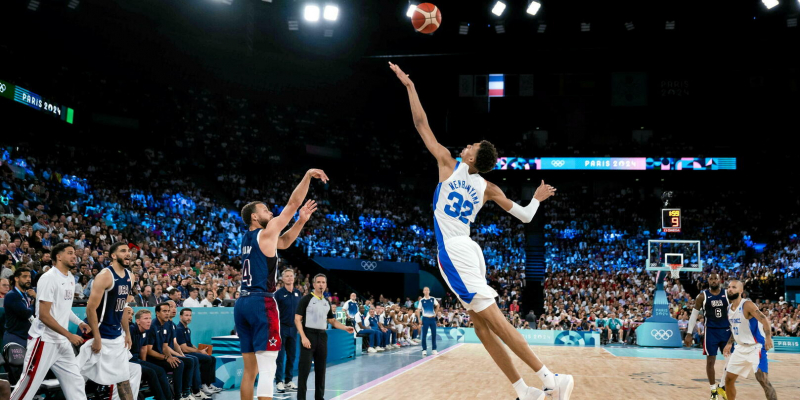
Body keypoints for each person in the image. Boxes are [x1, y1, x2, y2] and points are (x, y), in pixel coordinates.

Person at [390, 62, 571, 400]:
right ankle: (524, 391)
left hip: (455, 250)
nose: (467, 145)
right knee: (480, 324)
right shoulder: (488, 187)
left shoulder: (447, 162)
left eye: (472, 146)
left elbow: (420, 123)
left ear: (472, 159)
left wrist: (410, 87)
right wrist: (536, 198)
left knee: (496, 322)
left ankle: (551, 379)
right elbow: (527, 216)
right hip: (471, 249)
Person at [236, 169, 325, 400]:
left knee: (250, 370)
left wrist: (300, 222)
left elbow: (283, 242)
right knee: (268, 367)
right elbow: (293, 202)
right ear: (255, 217)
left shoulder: (248, 238)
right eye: (265, 210)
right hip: (260, 302)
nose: (271, 212)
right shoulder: (265, 233)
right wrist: (307, 176)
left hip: (242, 303)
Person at [10, 243, 91, 400]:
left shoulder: (70, 279)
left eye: (74, 253)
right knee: (28, 387)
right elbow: (44, 316)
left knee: (76, 382)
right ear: (58, 257)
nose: (74, 256)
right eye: (69, 253)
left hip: (61, 342)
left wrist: (80, 322)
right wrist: (69, 335)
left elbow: (63, 308)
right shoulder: (48, 278)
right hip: (44, 341)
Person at [77, 242, 137, 400]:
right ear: (113, 255)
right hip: (99, 335)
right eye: (123, 251)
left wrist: (127, 333)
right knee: (76, 377)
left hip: (116, 336)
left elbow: (122, 307)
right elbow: (90, 308)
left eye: (129, 251)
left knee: (123, 379)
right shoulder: (105, 276)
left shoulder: (130, 277)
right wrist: (96, 337)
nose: (128, 254)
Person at [294, 274, 354, 400]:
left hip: (322, 336)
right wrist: (303, 337)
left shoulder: (327, 301)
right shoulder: (306, 299)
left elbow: (332, 321)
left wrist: (345, 327)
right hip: (308, 335)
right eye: (318, 282)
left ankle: (319, 398)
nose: (321, 284)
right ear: (314, 284)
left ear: (326, 285)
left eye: (323, 282)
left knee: (321, 371)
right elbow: (297, 319)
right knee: (304, 371)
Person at [722, 280, 776, 400]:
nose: (730, 289)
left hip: (755, 347)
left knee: (762, 379)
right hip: (740, 348)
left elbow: (764, 319)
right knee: (729, 379)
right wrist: (729, 343)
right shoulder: (729, 308)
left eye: (734, 287)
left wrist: (768, 337)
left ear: (741, 291)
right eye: (729, 287)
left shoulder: (747, 305)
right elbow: (735, 328)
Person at [685, 273, 731, 400]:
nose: (713, 280)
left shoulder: (727, 294)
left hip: (726, 331)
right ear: (708, 281)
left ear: (720, 280)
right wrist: (689, 333)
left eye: (716, 278)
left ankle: (722, 385)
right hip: (711, 331)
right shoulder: (702, 296)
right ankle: (713, 390)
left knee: (730, 362)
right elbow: (694, 315)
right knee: (711, 361)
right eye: (711, 279)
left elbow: (736, 311)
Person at [165, 301, 208, 399]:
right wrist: (179, 354)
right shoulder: (164, 325)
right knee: (186, 361)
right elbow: (165, 346)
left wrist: (180, 354)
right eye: (170, 307)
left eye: (175, 307)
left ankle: (192, 391)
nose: (173, 309)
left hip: (174, 353)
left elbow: (175, 343)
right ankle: (182, 394)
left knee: (192, 359)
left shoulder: (172, 325)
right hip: (165, 355)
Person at [176, 309, 222, 395]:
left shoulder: (188, 329)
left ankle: (209, 384)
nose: (189, 317)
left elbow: (190, 344)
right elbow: (184, 348)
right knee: (207, 359)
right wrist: (199, 351)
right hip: (184, 353)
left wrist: (200, 350)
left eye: (190, 315)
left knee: (212, 358)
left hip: (189, 351)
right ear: (181, 316)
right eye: (186, 315)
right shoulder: (179, 329)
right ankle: (203, 385)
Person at [130, 309, 172, 400]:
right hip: (129, 361)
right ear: (138, 321)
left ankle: (169, 398)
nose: (149, 321)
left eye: (149, 318)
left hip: (137, 360)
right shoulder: (131, 329)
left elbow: (143, 348)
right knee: (151, 372)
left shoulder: (144, 331)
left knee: (160, 370)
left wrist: (144, 363)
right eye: (145, 318)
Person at [275, 269, 303, 393]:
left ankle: (288, 380)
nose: (290, 278)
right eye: (287, 276)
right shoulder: (278, 294)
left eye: (291, 276)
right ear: (283, 279)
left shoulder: (298, 293)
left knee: (291, 356)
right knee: (280, 357)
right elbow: (274, 312)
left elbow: (301, 312)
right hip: (281, 328)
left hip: (294, 329)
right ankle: (279, 381)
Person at [3, 268, 35, 348]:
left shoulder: (26, 294)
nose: (28, 279)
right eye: (24, 276)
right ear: (16, 278)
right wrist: (33, 304)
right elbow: (25, 313)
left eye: (29, 277)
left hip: (26, 336)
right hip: (15, 337)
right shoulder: (12, 295)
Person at [416, 287, 439, 356]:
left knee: (434, 334)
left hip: (432, 319)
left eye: (427, 290)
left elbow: (438, 305)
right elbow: (418, 310)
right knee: (424, 335)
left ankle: (434, 349)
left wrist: (435, 313)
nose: (426, 291)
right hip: (425, 319)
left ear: (429, 291)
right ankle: (424, 349)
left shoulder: (433, 298)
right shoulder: (422, 300)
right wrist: (419, 319)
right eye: (425, 290)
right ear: (423, 291)